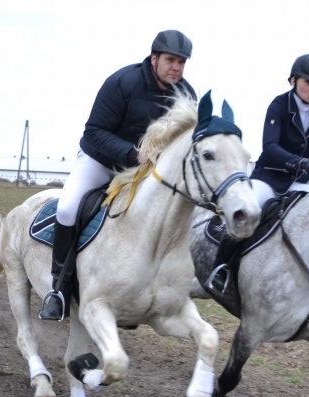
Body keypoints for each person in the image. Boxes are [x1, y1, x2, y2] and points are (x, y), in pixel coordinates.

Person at [39, 29, 196, 321]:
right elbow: (94, 132)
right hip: (100, 162)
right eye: (171, 60)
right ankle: (58, 289)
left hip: (146, 172)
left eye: (182, 62)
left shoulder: (186, 95)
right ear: (154, 59)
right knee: (68, 207)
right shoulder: (122, 82)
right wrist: (132, 154)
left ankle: (142, 291)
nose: (177, 67)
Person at [206, 53, 309, 296]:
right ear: (293, 80)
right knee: (247, 214)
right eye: (308, 82)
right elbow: (270, 148)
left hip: (300, 184)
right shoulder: (278, 106)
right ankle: (222, 268)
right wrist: (301, 162)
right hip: (268, 179)